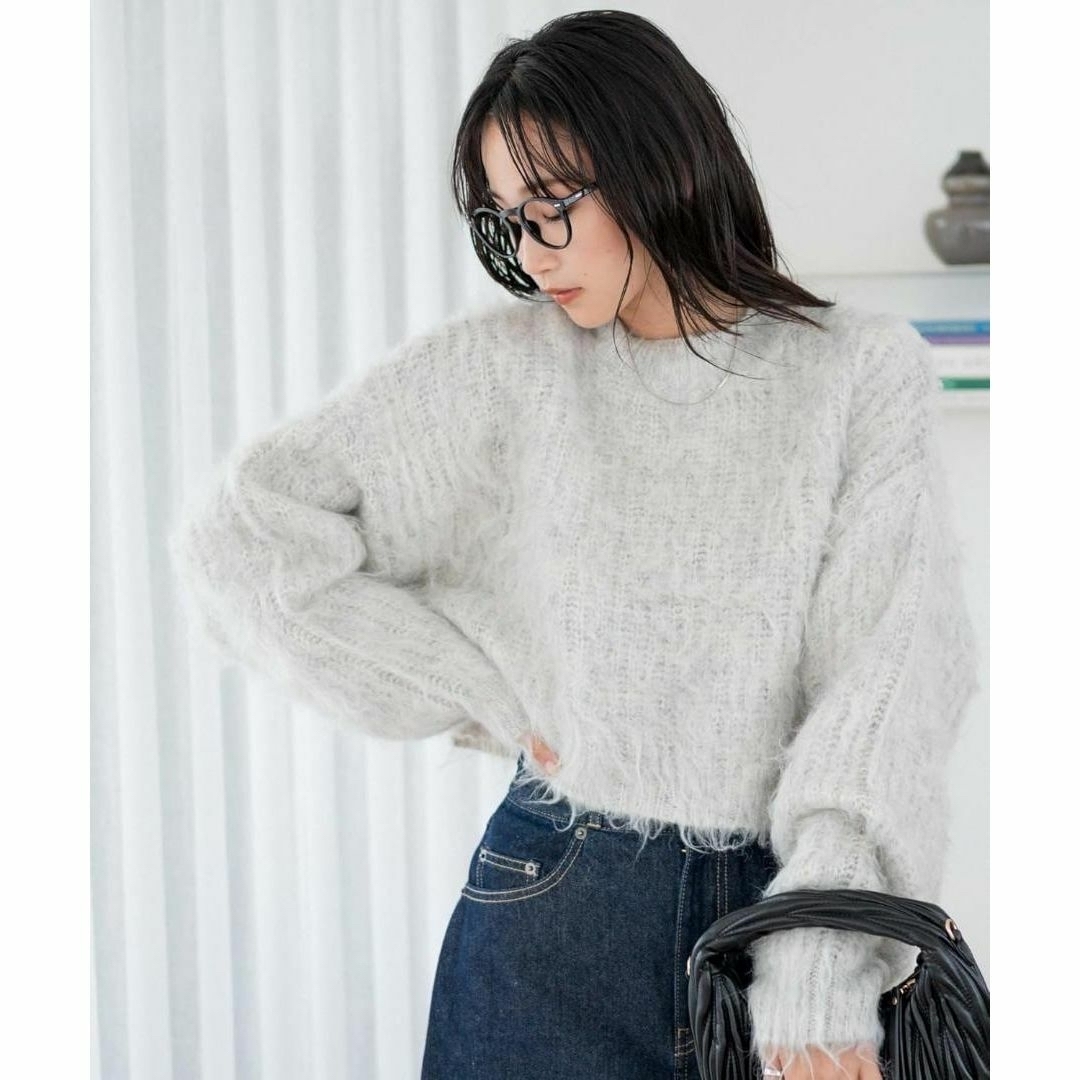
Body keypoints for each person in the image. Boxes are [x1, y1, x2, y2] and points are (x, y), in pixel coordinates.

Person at [168, 10, 980, 1080]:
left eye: (552, 206)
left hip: (779, 907)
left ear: (663, 162)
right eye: (505, 220)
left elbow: (887, 684)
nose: (530, 251)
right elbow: (243, 537)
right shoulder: (504, 370)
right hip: (553, 909)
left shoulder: (856, 373)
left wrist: (823, 959)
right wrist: (470, 681)